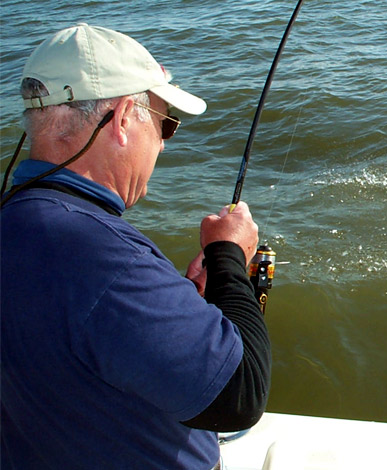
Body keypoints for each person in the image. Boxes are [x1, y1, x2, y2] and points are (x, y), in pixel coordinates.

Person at [0, 24, 270, 469]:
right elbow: (239, 395)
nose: (163, 144)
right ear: (124, 118)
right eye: (166, 124)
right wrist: (229, 259)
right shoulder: (98, 255)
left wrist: (178, 303)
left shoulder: (18, 222)